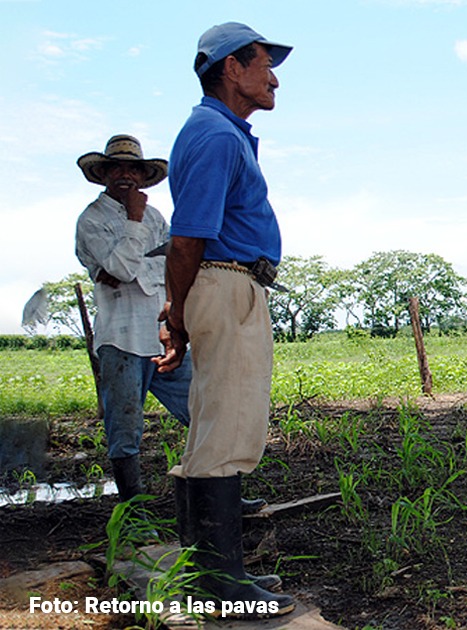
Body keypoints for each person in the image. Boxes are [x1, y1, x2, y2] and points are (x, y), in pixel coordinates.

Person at [155, 22, 294, 618]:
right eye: (264, 62)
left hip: (222, 283)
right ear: (230, 68)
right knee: (229, 427)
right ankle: (219, 583)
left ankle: (207, 566)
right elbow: (187, 237)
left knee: (212, 421)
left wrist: (182, 310)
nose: (274, 76)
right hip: (226, 282)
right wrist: (180, 315)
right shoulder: (215, 134)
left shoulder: (217, 132)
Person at [74, 135, 194, 504]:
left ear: (143, 176)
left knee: (202, 409)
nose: (126, 175)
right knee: (125, 428)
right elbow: (126, 270)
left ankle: (214, 496)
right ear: (105, 174)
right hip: (121, 338)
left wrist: (121, 267)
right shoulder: (93, 220)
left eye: (133, 169)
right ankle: (134, 516)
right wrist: (135, 222)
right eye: (117, 168)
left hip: (160, 336)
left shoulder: (158, 218)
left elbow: (169, 265)